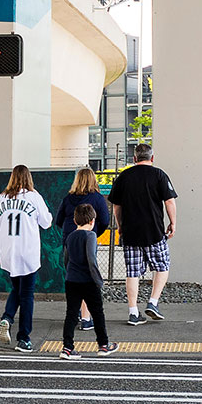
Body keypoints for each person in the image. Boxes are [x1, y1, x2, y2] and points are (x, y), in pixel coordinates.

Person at [108, 144, 178, 325]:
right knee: (162, 266)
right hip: (154, 231)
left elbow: (116, 206)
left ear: (134, 158)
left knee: (132, 272)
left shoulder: (123, 177)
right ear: (152, 158)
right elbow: (169, 201)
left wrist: (120, 225)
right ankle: (153, 302)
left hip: (130, 232)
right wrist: (173, 223)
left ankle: (133, 312)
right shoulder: (159, 175)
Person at [0, 165, 52, 352]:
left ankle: (7, 317)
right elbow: (47, 223)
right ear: (29, 178)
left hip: (8, 253)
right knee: (26, 295)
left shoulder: (1, 198)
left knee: (17, 288)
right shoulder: (34, 197)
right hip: (28, 253)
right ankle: (24, 338)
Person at [54, 167, 113, 333]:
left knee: (74, 275)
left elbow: (58, 220)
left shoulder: (67, 199)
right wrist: (94, 233)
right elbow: (105, 220)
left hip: (69, 240)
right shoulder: (97, 198)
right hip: (87, 240)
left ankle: (78, 314)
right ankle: (86, 319)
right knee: (87, 277)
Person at [61, 204, 120, 359]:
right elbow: (91, 260)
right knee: (97, 313)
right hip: (88, 281)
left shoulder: (70, 236)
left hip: (71, 280)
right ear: (93, 221)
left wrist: (70, 273)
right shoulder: (91, 236)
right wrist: (98, 281)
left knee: (71, 314)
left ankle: (67, 348)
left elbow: (66, 259)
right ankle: (103, 345)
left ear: (75, 220)